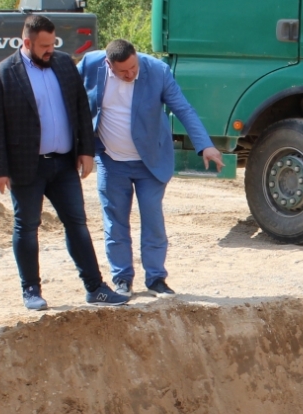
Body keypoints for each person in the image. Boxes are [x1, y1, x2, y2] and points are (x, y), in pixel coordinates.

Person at [0, 14, 129, 310]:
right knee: (27, 226)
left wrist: (86, 151)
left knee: (77, 224)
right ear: (26, 42)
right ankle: (31, 290)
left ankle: (95, 287)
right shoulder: (2, 75)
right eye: (43, 46)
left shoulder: (63, 64)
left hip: (63, 164)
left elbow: (80, 107)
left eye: (52, 44)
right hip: (27, 166)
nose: (49, 50)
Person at [82, 40, 222, 296]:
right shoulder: (90, 66)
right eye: (123, 71)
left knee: (152, 219)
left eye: (133, 67)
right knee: (115, 222)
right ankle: (122, 278)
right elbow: (71, 102)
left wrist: (205, 146)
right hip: (111, 161)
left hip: (151, 161)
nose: (130, 74)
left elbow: (183, 108)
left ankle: (156, 278)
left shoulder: (157, 70)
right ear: (108, 64)